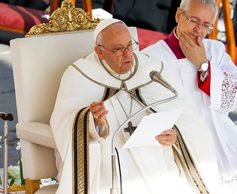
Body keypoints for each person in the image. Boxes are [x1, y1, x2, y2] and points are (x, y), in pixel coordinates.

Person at [50, 18, 221, 194]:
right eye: (118, 49)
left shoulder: (151, 69)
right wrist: (92, 121)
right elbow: (64, 121)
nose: (128, 55)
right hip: (109, 157)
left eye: (130, 46)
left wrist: (175, 134)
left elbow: (187, 118)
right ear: (100, 52)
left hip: (156, 154)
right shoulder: (79, 75)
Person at [142, 0, 237, 192]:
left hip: (218, 138)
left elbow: (232, 98)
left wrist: (203, 65)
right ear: (178, 15)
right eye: (194, 20)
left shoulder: (216, 52)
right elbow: (142, 108)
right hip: (175, 146)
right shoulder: (150, 58)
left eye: (206, 25)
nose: (198, 30)